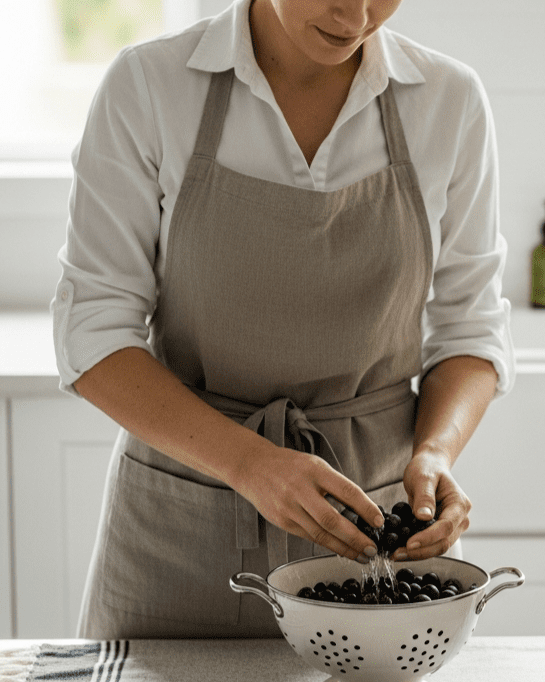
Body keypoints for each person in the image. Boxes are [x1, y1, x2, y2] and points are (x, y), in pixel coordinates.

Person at [51, 0, 514, 639]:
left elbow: (470, 327)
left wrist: (434, 454)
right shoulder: (150, 86)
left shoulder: (449, 101)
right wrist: (251, 465)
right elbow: (94, 334)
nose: (355, 16)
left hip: (374, 531)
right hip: (178, 528)